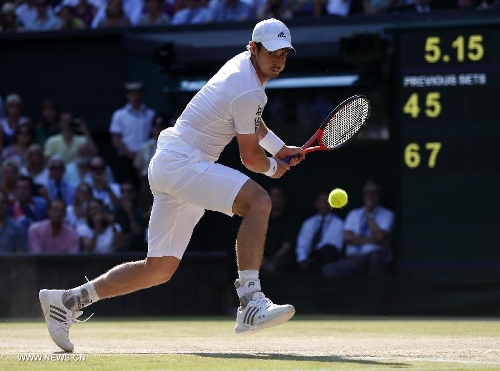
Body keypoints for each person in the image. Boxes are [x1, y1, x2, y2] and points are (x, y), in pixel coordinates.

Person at [39, 18, 304, 352]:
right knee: (260, 201)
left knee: (159, 268)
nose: (278, 59)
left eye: (284, 53)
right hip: (183, 164)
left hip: (169, 165)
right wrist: (273, 167)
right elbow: (251, 159)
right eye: (271, 52)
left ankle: (66, 301)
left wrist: (280, 149)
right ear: (254, 48)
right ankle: (250, 301)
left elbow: (251, 119)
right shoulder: (249, 87)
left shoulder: (244, 73)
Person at [322, 180, 395, 279]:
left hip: (375, 256)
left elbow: (379, 236)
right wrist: (373, 240)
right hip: (354, 258)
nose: (370, 196)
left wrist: (369, 214)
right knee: (328, 269)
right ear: (363, 195)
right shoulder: (353, 214)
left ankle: (376, 289)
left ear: (379, 195)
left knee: (375, 258)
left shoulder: (387, 214)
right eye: (367, 193)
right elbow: (347, 237)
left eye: (374, 193)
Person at [109, 82, 155, 185]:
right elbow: (115, 140)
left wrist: (141, 156)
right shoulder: (119, 115)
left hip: (146, 159)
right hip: (126, 159)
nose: (136, 97)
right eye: (132, 94)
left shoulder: (150, 114)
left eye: (138, 94)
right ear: (128, 96)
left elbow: (154, 136)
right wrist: (131, 154)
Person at [295, 191, 344, 274]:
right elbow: (302, 244)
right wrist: (302, 259)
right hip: (307, 259)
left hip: (325, 259)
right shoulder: (308, 223)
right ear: (316, 204)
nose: (323, 204)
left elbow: (336, 248)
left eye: (326, 201)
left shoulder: (339, 224)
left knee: (329, 251)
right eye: (321, 201)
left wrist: (313, 258)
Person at [133, 113, 170, 210]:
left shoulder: (172, 147)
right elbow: (138, 167)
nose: (158, 131)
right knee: (144, 210)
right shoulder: (145, 147)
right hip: (147, 183)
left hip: (165, 184)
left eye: (162, 128)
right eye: (156, 128)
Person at [260, 185, 297, 275]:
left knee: (274, 267)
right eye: (273, 195)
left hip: (281, 259)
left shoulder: (289, 220)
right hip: (262, 258)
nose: (275, 199)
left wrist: (272, 260)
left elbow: (287, 246)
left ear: (284, 199)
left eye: (278, 196)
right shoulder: (261, 219)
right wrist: (263, 260)